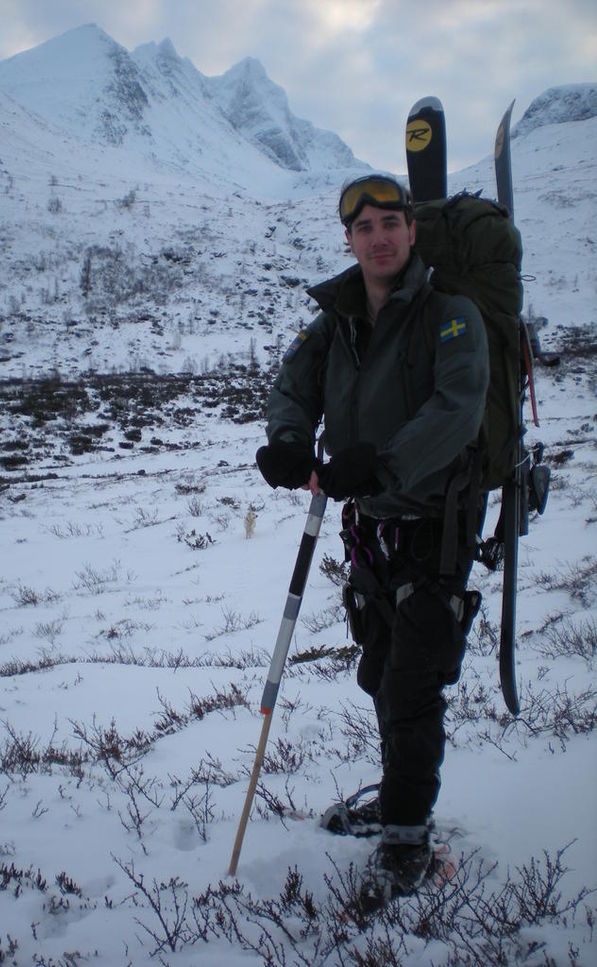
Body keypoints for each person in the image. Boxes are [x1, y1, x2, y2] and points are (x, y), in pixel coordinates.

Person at [255, 173, 489, 904]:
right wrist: (289, 441)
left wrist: (384, 464)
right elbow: (292, 388)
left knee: (412, 681)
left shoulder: (450, 316)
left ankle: (407, 839)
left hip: (434, 522)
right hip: (366, 528)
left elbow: (458, 408)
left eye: (392, 223)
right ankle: (396, 801)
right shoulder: (335, 323)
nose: (379, 237)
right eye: (365, 227)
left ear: (412, 231)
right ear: (349, 239)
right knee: (380, 670)